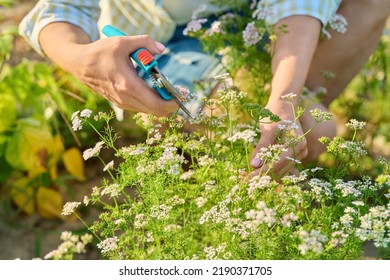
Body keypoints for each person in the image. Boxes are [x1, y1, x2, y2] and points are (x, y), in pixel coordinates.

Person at [19, 0, 389, 177]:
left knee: (311, 125)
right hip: (170, 52)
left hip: (250, 32)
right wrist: (80, 58)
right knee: (319, 128)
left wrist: (283, 98)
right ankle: (234, 147)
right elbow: (59, 11)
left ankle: (271, 135)